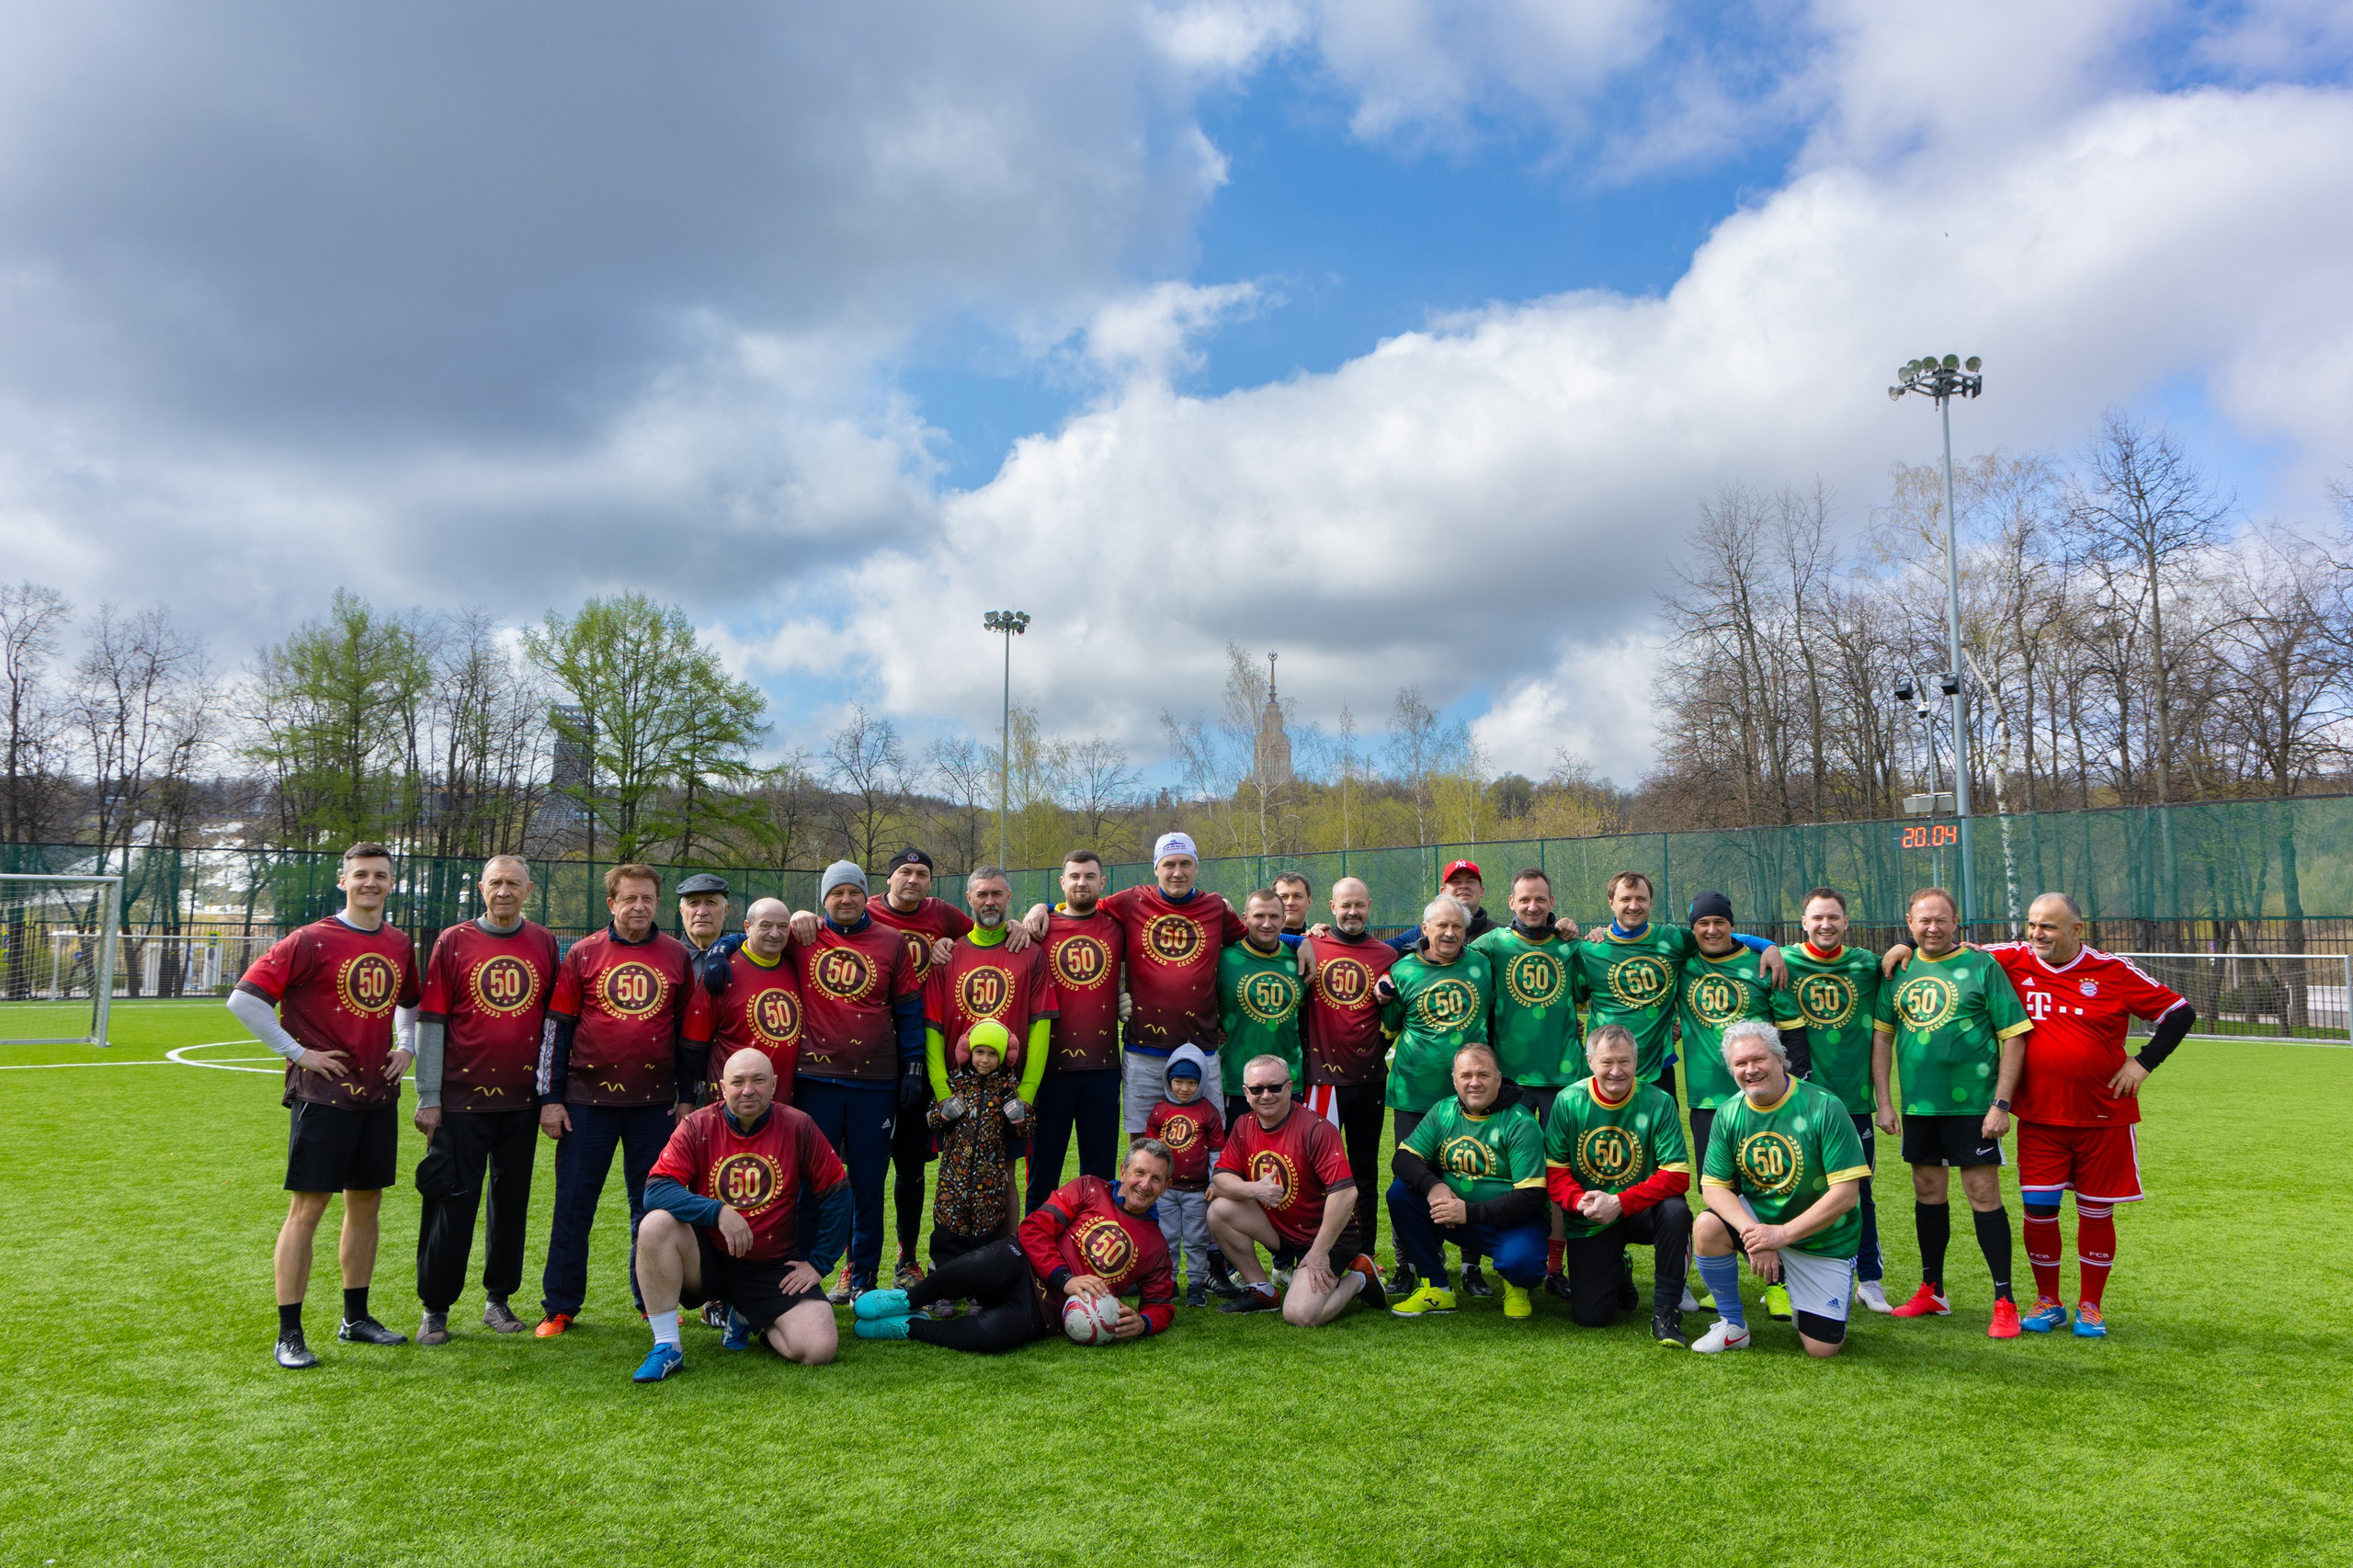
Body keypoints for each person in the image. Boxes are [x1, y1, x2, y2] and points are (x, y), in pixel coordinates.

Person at [229, 841, 423, 1369]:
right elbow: (243, 999)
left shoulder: (399, 942)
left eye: (380, 875)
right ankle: (289, 1333)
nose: (371, 883)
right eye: (361, 874)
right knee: (308, 1209)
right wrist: (298, 1053)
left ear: (390, 883)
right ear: (344, 881)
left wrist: (406, 1046)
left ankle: (354, 1318)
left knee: (366, 1205)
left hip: (377, 1093)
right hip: (323, 1097)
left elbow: (410, 1005)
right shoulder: (310, 939)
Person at [1984, 892, 2194, 1338]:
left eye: (2049, 927)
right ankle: (2048, 1301)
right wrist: (1906, 947)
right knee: (2039, 1211)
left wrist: (2143, 1062)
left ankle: (2090, 1307)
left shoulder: (2112, 971)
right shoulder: (2012, 959)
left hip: (2104, 1118)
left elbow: (2179, 1012)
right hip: (2041, 1117)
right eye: (2033, 924)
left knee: (2095, 1213)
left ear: (2077, 930)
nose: (2037, 934)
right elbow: (1949, 953)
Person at [798, 846, 997, 1296]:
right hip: (839, 1070)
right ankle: (843, 1267)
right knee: (841, 1174)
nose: (912, 879)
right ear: (886, 881)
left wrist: (1032, 917)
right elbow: (764, 934)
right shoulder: (840, 919)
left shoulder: (941, 915)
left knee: (908, 1165)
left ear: (931, 882)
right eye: (904, 872)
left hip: (908, 1064)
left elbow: (991, 929)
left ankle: (906, 1259)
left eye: (921, 873)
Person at [534, 864, 706, 1337]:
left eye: (647, 898)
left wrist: (687, 1099)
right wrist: (550, 1097)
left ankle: (650, 1300)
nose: (638, 907)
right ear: (611, 903)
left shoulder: (676, 955)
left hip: (655, 1106)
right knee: (573, 1206)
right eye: (629, 898)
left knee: (651, 1209)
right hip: (586, 1103)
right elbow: (557, 1030)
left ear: (658, 903)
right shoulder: (584, 953)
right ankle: (560, 1306)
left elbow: (688, 1038)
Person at [411, 854, 562, 1345]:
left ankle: (498, 1298)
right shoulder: (452, 942)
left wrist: (547, 1094)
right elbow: (430, 1023)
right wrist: (429, 1096)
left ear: (528, 889)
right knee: (451, 1203)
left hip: (520, 1103)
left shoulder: (543, 942)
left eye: (513, 884)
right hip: (459, 1103)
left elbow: (552, 1025)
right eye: (495, 883)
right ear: (481, 888)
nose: (504, 891)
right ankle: (435, 1308)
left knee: (511, 1203)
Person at [1870, 886, 2034, 1337]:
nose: (1932, 927)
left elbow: (2014, 1036)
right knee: (1927, 1191)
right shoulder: (1898, 970)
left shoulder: (1982, 966)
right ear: (1909, 923)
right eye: (1924, 920)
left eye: (1941, 919)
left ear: (1956, 922)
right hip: (1921, 1106)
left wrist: (2001, 1104)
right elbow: (1882, 1038)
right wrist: (1885, 1101)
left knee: (1983, 1194)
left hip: (1975, 1108)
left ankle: (2004, 1300)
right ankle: (1933, 1291)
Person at [630, 1048, 849, 1381]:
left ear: (774, 1085)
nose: (748, 1090)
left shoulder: (797, 1124)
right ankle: (667, 1347)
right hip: (708, 1262)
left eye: (758, 1080)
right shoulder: (697, 1125)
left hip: (772, 1267)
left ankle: (747, 1315)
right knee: (655, 1224)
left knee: (819, 1349)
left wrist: (819, 1263)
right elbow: (656, 1188)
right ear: (721, 1086)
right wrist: (717, 1211)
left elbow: (837, 1191)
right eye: (738, 1082)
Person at [1025, 831, 1245, 1149]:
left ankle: (1201, 1200)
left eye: (1186, 864)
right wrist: (1040, 907)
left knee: (1206, 1140)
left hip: (1201, 1046)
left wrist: (1301, 939)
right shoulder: (1132, 900)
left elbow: (1255, 943)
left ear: (1197, 867)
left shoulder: (1214, 906)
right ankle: (1145, 1200)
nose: (1178, 872)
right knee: (1141, 1142)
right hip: (1144, 1047)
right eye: (1169, 864)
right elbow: (1079, 903)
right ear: (1156, 868)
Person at [850, 1143, 1179, 1350]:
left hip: (1046, 1311)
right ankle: (908, 1298)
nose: (1145, 1184)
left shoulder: (1156, 1247)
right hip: (1021, 1262)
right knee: (978, 1263)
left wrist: (1144, 1323)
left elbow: (1161, 1303)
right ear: (1123, 1171)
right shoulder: (1090, 1187)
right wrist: (1066, 1279)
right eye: (1140, 1172)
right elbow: (1034, 1229)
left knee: (992, 1336)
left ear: (1165, 1188)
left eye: (1156, 1179)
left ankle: (910, 1326)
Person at [1691, 1019, 1871, 1357]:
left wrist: (1782, 1235)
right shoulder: (1728, 1112)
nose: (1750, 1070)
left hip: (1823, 1241)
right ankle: (1733, 1325)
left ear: (1779, 1058)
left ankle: (1805, 1299)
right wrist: (1755, 1234)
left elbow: (1846, 1196)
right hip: (1763, 1224)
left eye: (1758, 1059)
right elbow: (1713, 1188)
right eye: (1740, 1064)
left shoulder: (1824, 1106)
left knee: (1822, 1349)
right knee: (1707, 1225)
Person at [789, 860, 924, 1303]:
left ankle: (861, 1276)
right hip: (817, 1080)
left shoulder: (890, 941)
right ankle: (806, 1277)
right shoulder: (803, 935)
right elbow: (757, 936)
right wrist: (724, 944)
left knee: (868, 1184)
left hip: (874, 1082)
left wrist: (913, 1066)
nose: (844, 900)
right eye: (835, 893)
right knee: (813, 1185)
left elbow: (907, 1010)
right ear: (823, 899)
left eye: (852, 892)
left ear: (864, 894)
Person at [1674, 890, 1807, 1321]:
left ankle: (1779, 1285)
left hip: (1764, 1100)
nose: (1711, 930)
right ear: (1693, 929)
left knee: (1773, 1187)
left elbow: (1793, 1031)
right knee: (1718, 1193)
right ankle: (1722, 1283)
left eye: (1720, 922)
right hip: (1708, 1101)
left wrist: (1795, 1090)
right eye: (1702, 924)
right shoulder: (1685, 963)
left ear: (1733, 925)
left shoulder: (1763, 966)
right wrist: (1765, 941)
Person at [1778, 886, 1897, 1313]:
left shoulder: (1868, 966)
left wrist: (1901, 946)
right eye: (1816, 918)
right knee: (1794, 1189)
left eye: (1833, 917)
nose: (1825, 924)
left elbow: (1916, 961)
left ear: (1846, 923)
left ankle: (1869, 1279)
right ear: (1803, 923)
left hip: (1852, 1102)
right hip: (1795, 1102)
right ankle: (1792, 1276)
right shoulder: (1783, 961)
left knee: (1858, 1191)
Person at [1568, 871, 1784, 1106]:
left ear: (1650, 902)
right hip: (1607, 1069)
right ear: (1611, 903)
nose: (1634, 905)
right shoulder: (1589, 949)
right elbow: (1571, 1000)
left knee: (1660, 1139)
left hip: (1659, 1067)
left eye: (1641, 899)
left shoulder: (1672, 939)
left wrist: (1767, 945)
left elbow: (1716, 935)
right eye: (1625, 899)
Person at [1468, 868, 1585, 1290]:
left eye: (1540, 899)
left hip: (1565, 1080)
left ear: (1552, 903)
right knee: (1497, 1171)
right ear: (1511, 904)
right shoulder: (1492, 944)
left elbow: (1608, 963)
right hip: (1509, 1082)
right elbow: (1434, 947)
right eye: (1524, 900)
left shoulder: (1570, 947)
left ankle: (1557, 1267)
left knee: (1564, 1174)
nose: (1532, 906)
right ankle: (1482, 1264)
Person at [1374, 894, 1494, 1296]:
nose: (1449, 933)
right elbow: (1389, 1026)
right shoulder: (1403, 970)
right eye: (1440, 926)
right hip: (1415, 1094)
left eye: (1457, 926)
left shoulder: (1480, 965)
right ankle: (1408, 1263)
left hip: (1471, 1095)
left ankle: (1471, 1266)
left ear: (1466, 931)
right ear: (1424, 929)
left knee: (1472, 1172)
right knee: (1410, 1180)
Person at [1544, 1025, 1694, 1346]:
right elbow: (1555, 1171)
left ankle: (1666, 1311)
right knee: (1591, 1317)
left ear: (1636, 1061)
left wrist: (1621, 1203)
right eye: (1607, 1062)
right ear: (1589, 1061)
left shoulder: (1659, 1101)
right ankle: (1619, 1266)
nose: (1616, 1071)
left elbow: (1678, 1174)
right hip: (1592, 1214)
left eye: (1624, 1062)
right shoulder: (1568, 1101)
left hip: (1640, 1211)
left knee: (1675, 1211)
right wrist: (1577, 1202)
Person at [1206, 1054, 1383, 1324]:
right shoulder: (1244, 1125)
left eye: (1274, 1087)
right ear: (1246, 1092)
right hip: (1283, 1230)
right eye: (1257, 1089)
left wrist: (1319, 1252)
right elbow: (1220, 1179)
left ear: (1289, 1087)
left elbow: (1346, 1193)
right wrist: (1255, 1190)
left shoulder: (1316, 1129)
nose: (1266, 1095)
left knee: (1300, 1315)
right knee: (1219, 1210)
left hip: (1329, 1235)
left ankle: (1359, 1277)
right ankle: (1261, 1290)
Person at [1385, 1044, 1550, 1320]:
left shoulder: (1520, 1123)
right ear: (1454, 1080)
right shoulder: (1443, 1111)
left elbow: (1531, 1196)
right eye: (1466, 1075)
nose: (1474, 1083)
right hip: (1456, 1218)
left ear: (1498, 1079)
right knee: (1401, 1193)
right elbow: (1403, 1158)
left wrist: (1468, 1212)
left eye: (1483, 1075)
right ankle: (1436, 1288)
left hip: (1511, 1222)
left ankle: (1516, 1284)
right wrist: (1433, 1185)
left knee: (1523, 1265)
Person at [922, 866, 1057, 1153]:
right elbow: (933, 1027)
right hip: (958, 1093)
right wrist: (942, 1092)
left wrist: (1027, 1093)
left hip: (1010, 1094)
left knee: (1005, 1177)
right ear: (969, 898)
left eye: (997, 893)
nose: (990, 901)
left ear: (1008, 896)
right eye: (982, 894)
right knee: (953, 1176)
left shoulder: (1030, 954)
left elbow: (1041, 1025)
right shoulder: (946, 955)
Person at [1300, 876, 1397, 1266]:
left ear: (1369, 905)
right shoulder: (1312, 945)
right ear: (1332, 906)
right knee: (1317, 1175)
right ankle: (1311, 1254)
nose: (1353, 912)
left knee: (1364, 1173)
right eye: (1346, 905)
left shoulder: (1386, 955)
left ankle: (1364, 1253)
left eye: (1359, 904)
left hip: (1369, 1078)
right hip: (1322, 1081)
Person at [1025, 850, 1127, 1212]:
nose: (1081, 883)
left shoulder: (1118, 925)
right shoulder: (1038, 927)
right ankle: (1033, 1256)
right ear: (1062, 882)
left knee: (1098, 1175)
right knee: (1042, 1172)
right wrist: (1040, 907)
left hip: (1102, 1068)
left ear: (1102, 883)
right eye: (1074, 876)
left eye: (1089, 876)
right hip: (1048, 1070)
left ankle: (1093, 1248)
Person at [925, 1019, 1027, 1270]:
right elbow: (931, 1119)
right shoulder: (955, 1085)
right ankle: (945, 1290)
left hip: (989, 1187)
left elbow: (1025, 1130)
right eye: (979, 1052)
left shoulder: (1008, 1090)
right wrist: (945, 1113)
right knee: (947, 1236)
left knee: (984, 1240)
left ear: (1004, 1056)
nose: (985, 1059)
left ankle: (977, 1293)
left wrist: (1019, 1117)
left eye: (993, 1054)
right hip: (953, 1183)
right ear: (967, 1051)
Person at [689, 896, 803, 1104]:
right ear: (747, 927)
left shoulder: (796, 966)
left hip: (786, 1102)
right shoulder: (721, 974)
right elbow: (693, 1046)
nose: (775, 933)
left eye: (782, 926)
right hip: (733, 1104)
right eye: (766, 925)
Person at [1143, 1044, 1224, 1305]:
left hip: (1197, 1191)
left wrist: (1214, 1182)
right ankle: (1169, 1282)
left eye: (1192, 1082)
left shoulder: (1208, 1111)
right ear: (1169, 1079)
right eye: (1179, 1081)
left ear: (1200, 1083)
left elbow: (1216, 1152)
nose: (1185, 1088)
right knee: (1165, 1237)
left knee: (1196, 1239)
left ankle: (1196, 1283)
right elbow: (1150, 1152)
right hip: (1166, 1191)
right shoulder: (1159, 1110)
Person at [1217, 888, 1304, 1125]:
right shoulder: (1223, 957)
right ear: (1245, 918)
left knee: (1287, 1160)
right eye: (1259, 916)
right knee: (1236, 1160)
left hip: (1288, 1082)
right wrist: (1208, 1028)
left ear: (1284, 920)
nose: (1267, 924)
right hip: (1236, 1082)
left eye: (1274, 917)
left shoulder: (1299, 958)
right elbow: (1194, 997)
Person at [1386, 859, 1498, 950]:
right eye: (1456, 882)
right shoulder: (1423, 932)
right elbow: (1382, 952)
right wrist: (1387, 972)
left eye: (1470, 881)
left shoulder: (1499, 934)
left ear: (1482, 891)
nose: (1463, 886)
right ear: (1442, 892)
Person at [675, 871, 733, 962]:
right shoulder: (665, 958)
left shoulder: (742, 959)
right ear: (682, 911)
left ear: (725, 910)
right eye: (693, 902)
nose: (701, 912)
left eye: (711, 902)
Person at [1272, 870, 1313, 946]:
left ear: (1309, 902)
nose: (1290, 903)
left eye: (1297, 896)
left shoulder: (1318, 938)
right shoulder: (1257, 942)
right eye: (1283, 897)